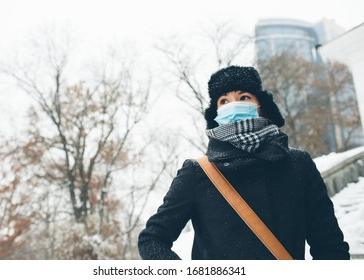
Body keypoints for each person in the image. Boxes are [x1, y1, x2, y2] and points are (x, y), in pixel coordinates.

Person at [138, 65, 350, 260]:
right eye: (224, 101)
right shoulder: (198, 172)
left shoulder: (298, 164)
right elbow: (152, 239)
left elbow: (330, 246)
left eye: (244, 97)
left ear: (261, 106)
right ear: (217, 114)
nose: (234, 106)